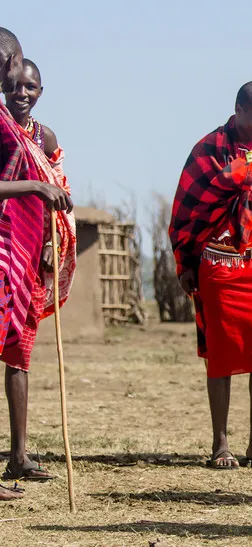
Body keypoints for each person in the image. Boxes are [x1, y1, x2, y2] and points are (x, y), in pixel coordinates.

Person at [169, 80, 252, 471]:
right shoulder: (207, 149)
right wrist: (187, 264)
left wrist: (251, 177)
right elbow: (189, 209)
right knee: (221, 356)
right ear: (238, 110)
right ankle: (220, 444)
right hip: (221, 264)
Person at [0, 30, 73, 501]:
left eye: (29, 82)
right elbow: (37, 187)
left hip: (26, 252)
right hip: (2, 247)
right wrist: (33, 188)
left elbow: (59, 191)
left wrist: (55, 240)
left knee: (18, 352)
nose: (19, 88)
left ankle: (18, 454)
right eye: (13, 69)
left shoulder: (41, 136)